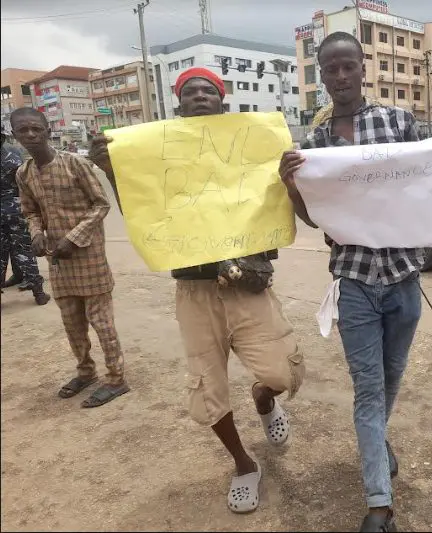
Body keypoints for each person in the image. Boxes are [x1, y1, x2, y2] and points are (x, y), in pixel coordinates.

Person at [279, 31, 432, 532]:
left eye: (347, 65)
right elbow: (313, 220)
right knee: (369, 390)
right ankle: (379, 503)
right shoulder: (315, 145)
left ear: (363, 67)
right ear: (321, 75)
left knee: (390, 380)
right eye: (329, 69)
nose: (340, 76)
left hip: (402, 279)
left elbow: (430, 183)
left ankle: (377, 441)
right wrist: (291, 185)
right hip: (353, 281)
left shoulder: (398, 122)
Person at [89, 67, 305, 514]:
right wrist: (114, 171)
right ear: (178, 102)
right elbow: (146, 213)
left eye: (210, 90)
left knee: (284, 374)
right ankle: (244, 465)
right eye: (192, 91)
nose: (201, 95)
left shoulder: (249, 148)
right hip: (194, 292)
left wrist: (288, 176)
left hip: (247, 285)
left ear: (223, 102)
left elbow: (272, 202)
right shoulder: (161, 156)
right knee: (207, 390)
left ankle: (264, 401)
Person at [11, 107, 128, 407]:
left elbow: (100, 205)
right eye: (23, 130)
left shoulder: (75, 164)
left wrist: (73, 238)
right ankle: (86, 371)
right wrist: (37, 233)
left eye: (36, 128)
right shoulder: (23, 173)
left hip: (89, 257)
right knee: (72, 323)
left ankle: (116, 379)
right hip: (58, 261)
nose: (31, 135)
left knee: (101, 323)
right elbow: (30, 211)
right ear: (15, 135)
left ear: (48, 130)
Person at [1, 123, 50, 304]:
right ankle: (38, 293)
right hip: (15, 208)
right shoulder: (13, 155)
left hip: (11, 208)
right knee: (23, 250)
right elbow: (26, 183)